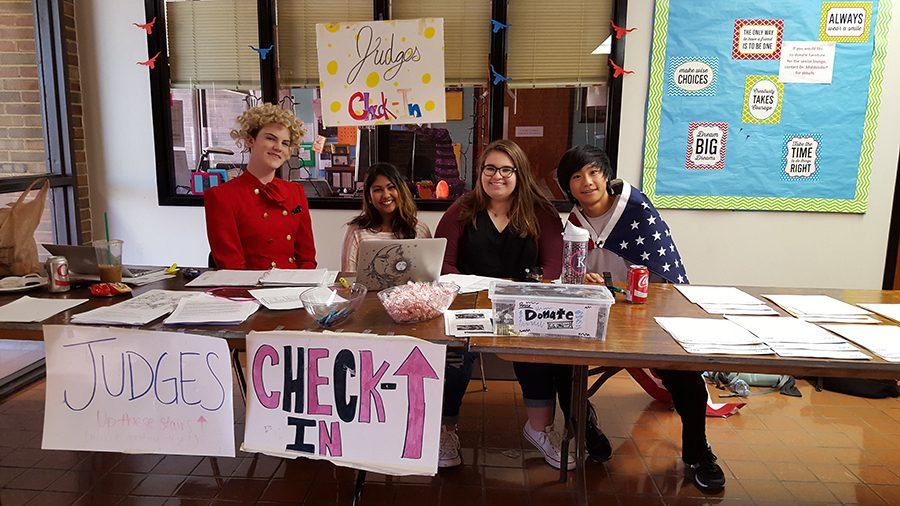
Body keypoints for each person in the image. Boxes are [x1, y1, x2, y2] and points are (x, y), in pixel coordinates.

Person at [556, 145, 726, 492]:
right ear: (567, 186)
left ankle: (698, 450)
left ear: (606, 175)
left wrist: (609, 285)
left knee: (684, 372)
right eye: (576, 177)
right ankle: (587, 429)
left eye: (593, 172)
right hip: (595, 315)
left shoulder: (637, 211)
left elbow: (663, 279)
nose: (587, 182)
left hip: (644, 314)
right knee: (558, 363)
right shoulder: (573, 222)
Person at [435, 139, 586, 470]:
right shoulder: (461, 210)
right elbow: (444, 265)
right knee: (454, 356)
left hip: (522, 307)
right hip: (469, 306)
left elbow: (553, 267)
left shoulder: (541, 212)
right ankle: (445, 430)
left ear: (519, 174)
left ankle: (538, 428)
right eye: (490, 168)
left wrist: (516, 293)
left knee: (536, 353)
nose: (497, 176)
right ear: (480, 173)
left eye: (506, 169)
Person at [205, 103, 316, 270]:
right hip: (249, 292)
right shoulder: (221, 196)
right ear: (250, 140)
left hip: (294, 290)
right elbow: (231, 267)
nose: (278, 147)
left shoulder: (296, 192)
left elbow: (307, 259)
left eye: (285, 143)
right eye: (270, 138)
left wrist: (302, 289)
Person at [341, 163, 431, 272]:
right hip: (367, 289)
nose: (386, 195)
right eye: (378, 190)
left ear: (401, 191)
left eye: (391, 187)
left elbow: (427, 276)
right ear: (369, 197)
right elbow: (348, 278)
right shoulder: (356, 232)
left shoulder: (420, 230)